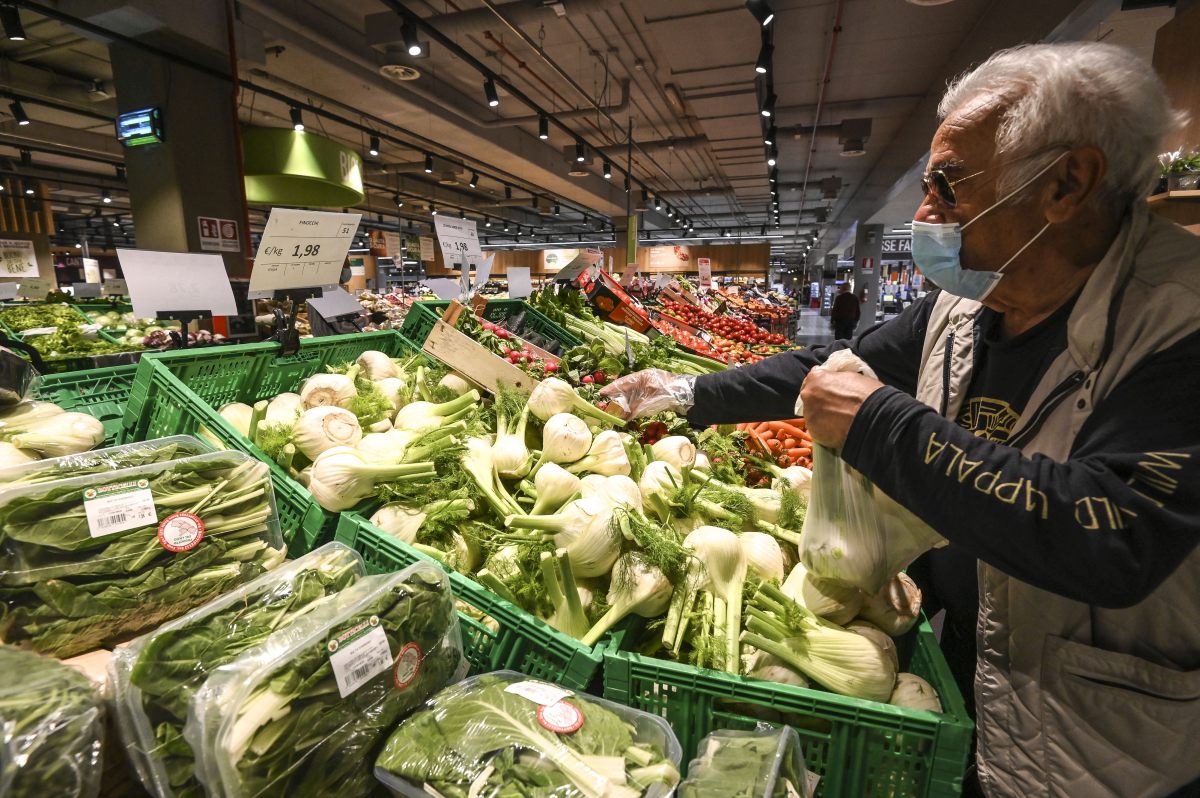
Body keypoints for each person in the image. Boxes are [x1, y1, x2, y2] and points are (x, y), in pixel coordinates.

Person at [600, 42, 1200, 798]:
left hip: (1094, 748)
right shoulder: (968, 298)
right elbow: (824, 370)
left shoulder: (1180, 324)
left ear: (1067, 184)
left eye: (949, 185)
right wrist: (685, 394)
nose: (924, 215)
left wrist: (881, 426)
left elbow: (1112, 531)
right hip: (953, 680)